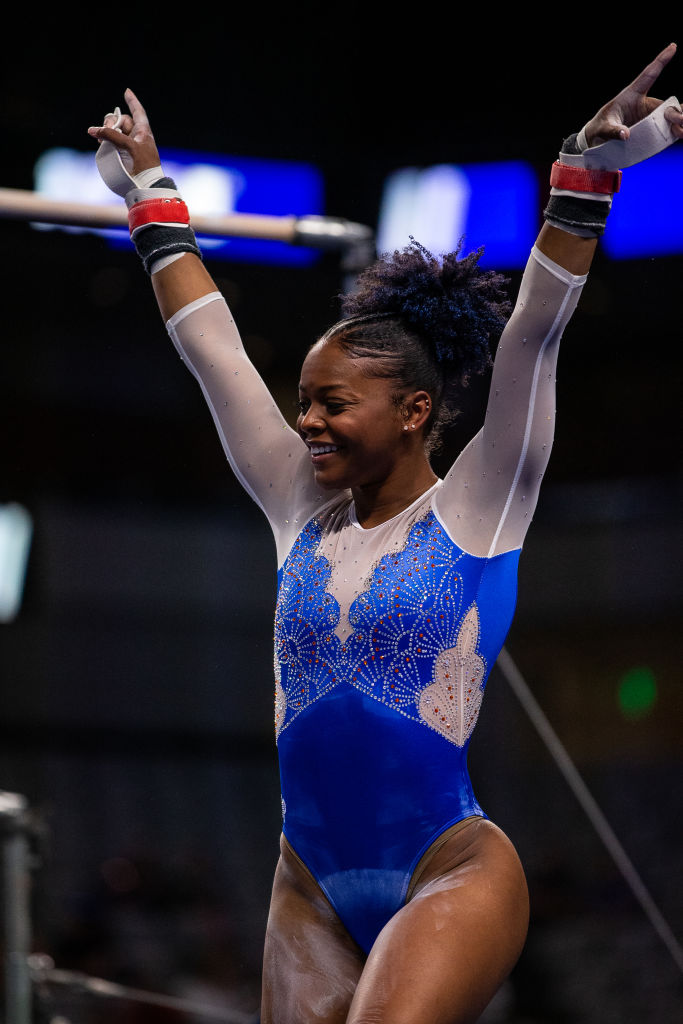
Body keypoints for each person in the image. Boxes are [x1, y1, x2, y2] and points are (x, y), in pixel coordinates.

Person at [88, 46, 682, 1024]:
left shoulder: (479, 503)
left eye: (331, 404)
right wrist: (148, 186)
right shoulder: (295, 501)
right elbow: (209, 346)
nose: (307, 423)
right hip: (305, 883)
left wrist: (582, 178)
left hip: (446, 869)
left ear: (412, 410)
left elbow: (531, 336)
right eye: (302, 405)